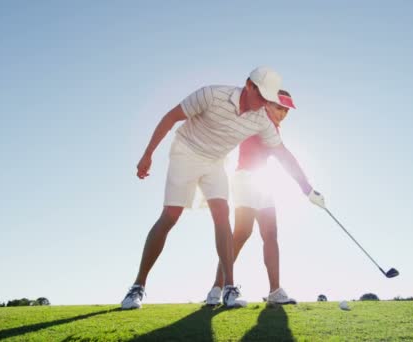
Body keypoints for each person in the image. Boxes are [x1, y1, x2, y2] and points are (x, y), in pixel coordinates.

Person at [121, 66, 325, 309]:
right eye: (262, 97)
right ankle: (138, 287)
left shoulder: (262, 119)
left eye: (269, 100)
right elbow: (171, 117)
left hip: (215, 161)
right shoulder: (211, 95)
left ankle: (228, 288)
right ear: (248, 85)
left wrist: (307, 189)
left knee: (222, 214)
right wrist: (148, 154)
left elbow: (283, 154)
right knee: (170, 217)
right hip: (186, 151)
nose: (264, 104)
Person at [204, 90, 304, 306]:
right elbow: (283, 156)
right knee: (242, 233)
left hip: (262, 180)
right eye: (279, 107)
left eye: (286, 110)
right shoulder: (258, 120)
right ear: (267, 104)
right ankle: (216, 288)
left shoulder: (273, 127)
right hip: (245, 179)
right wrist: (306, 186)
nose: (283, 113)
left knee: (270, 233)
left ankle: (275, 291)